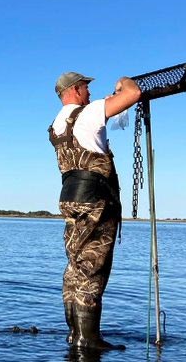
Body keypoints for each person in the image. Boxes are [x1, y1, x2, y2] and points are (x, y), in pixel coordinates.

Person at [49, 71, 141, 351]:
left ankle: (74, 335)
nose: (90, 93)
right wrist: (123, 81)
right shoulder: (87, 114)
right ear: (75, 89)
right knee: (92, 267)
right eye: (86, 88)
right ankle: (88, 339)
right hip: (95, 200)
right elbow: (133, 94)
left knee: (75, 267)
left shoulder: (57, 124)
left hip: (71, 199)